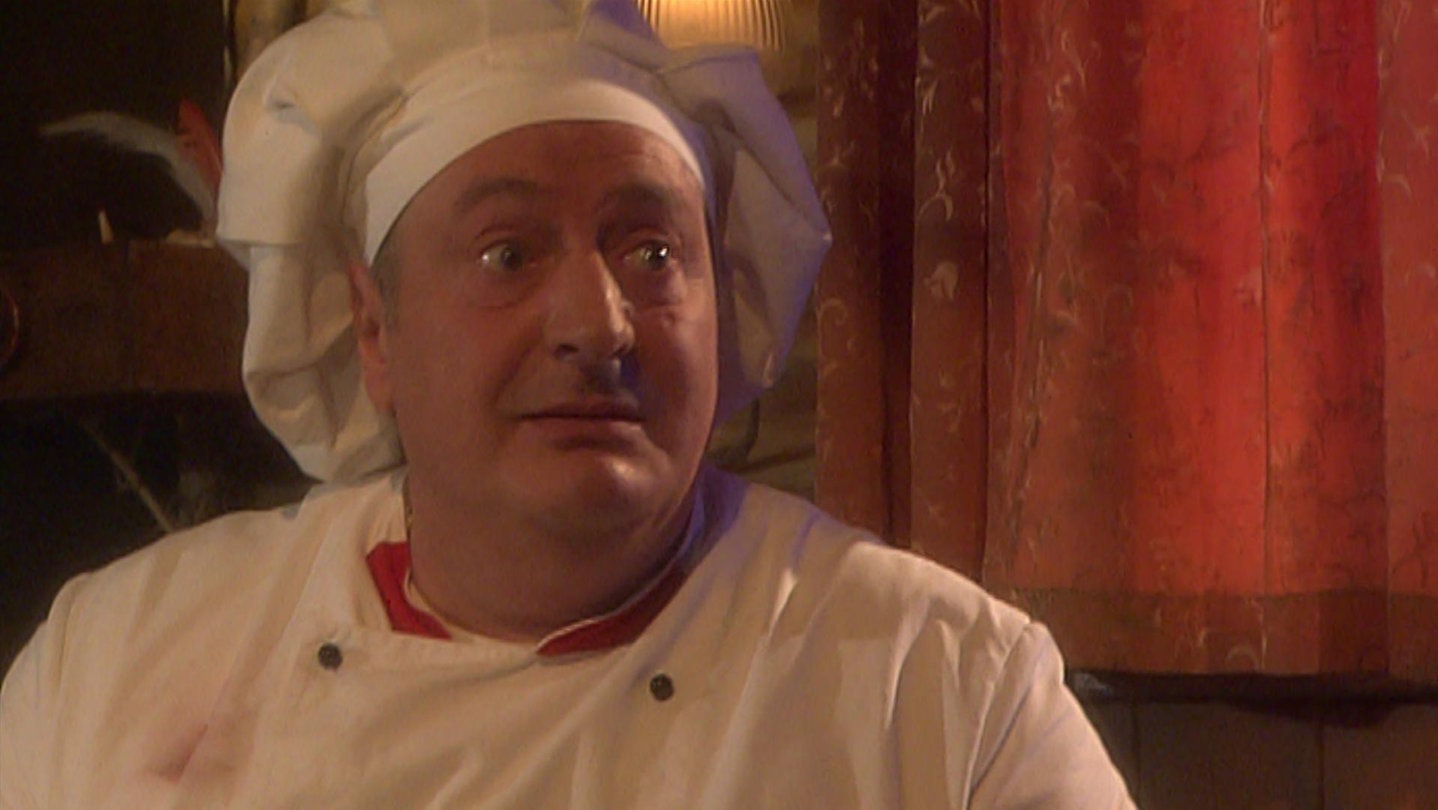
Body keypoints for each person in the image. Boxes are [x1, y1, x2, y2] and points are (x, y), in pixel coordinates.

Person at [0, 0, 1134, 806]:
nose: (598, 323)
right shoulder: (114, 664)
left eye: (652, 251)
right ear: (375, 329)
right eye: (508, 255)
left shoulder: (940, 690)